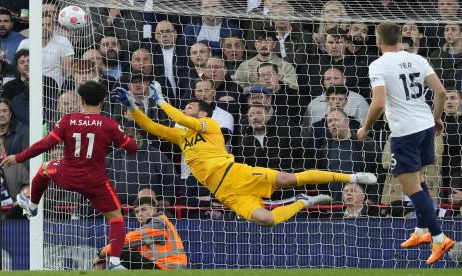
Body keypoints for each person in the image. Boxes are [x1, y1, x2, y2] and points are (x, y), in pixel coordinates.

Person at [113, 83, 377, 227]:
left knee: (288, 179)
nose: (188, 109)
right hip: (225, 192)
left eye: (192, 107)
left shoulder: (210, 126)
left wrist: (161, 103)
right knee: (267, 220)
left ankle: (351, 175)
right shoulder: (181, 136)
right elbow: (152, 127)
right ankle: (304, 202)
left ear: (203, 113)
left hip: (236, 173)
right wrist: (134, 109)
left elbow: (182, 118)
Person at [0, 81, 138, 269]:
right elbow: (132, 148)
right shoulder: (110, 124)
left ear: (81, 100)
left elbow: (45, 145)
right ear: (103, 101)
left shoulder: (68, 120)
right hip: (95, 182)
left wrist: (19, 157)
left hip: (68, 175)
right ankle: (114, 261)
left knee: (45, 168)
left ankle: (32, 205)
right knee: (116, 218)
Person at [357, 21, 454, 264]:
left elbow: (378, 103)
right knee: (420, 181)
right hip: (424, 127)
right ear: (399, 37)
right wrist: (437, 119)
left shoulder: (378, 65)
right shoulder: (418, 58)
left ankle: (440, 239)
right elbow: (441, 92)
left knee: (410, 188)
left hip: (405, 133)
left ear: (378, 40)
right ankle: (421, 232)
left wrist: (365, 127)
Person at [93, 197, 187, 270]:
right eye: (137, 211)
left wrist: (101, 254)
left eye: (144, 209)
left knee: (120, 251)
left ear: (154, 210)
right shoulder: (159, 223)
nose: (140, 214)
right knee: (124, 251)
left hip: (168, 269)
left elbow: (124, 241)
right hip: (167, 267)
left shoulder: (158, 225)